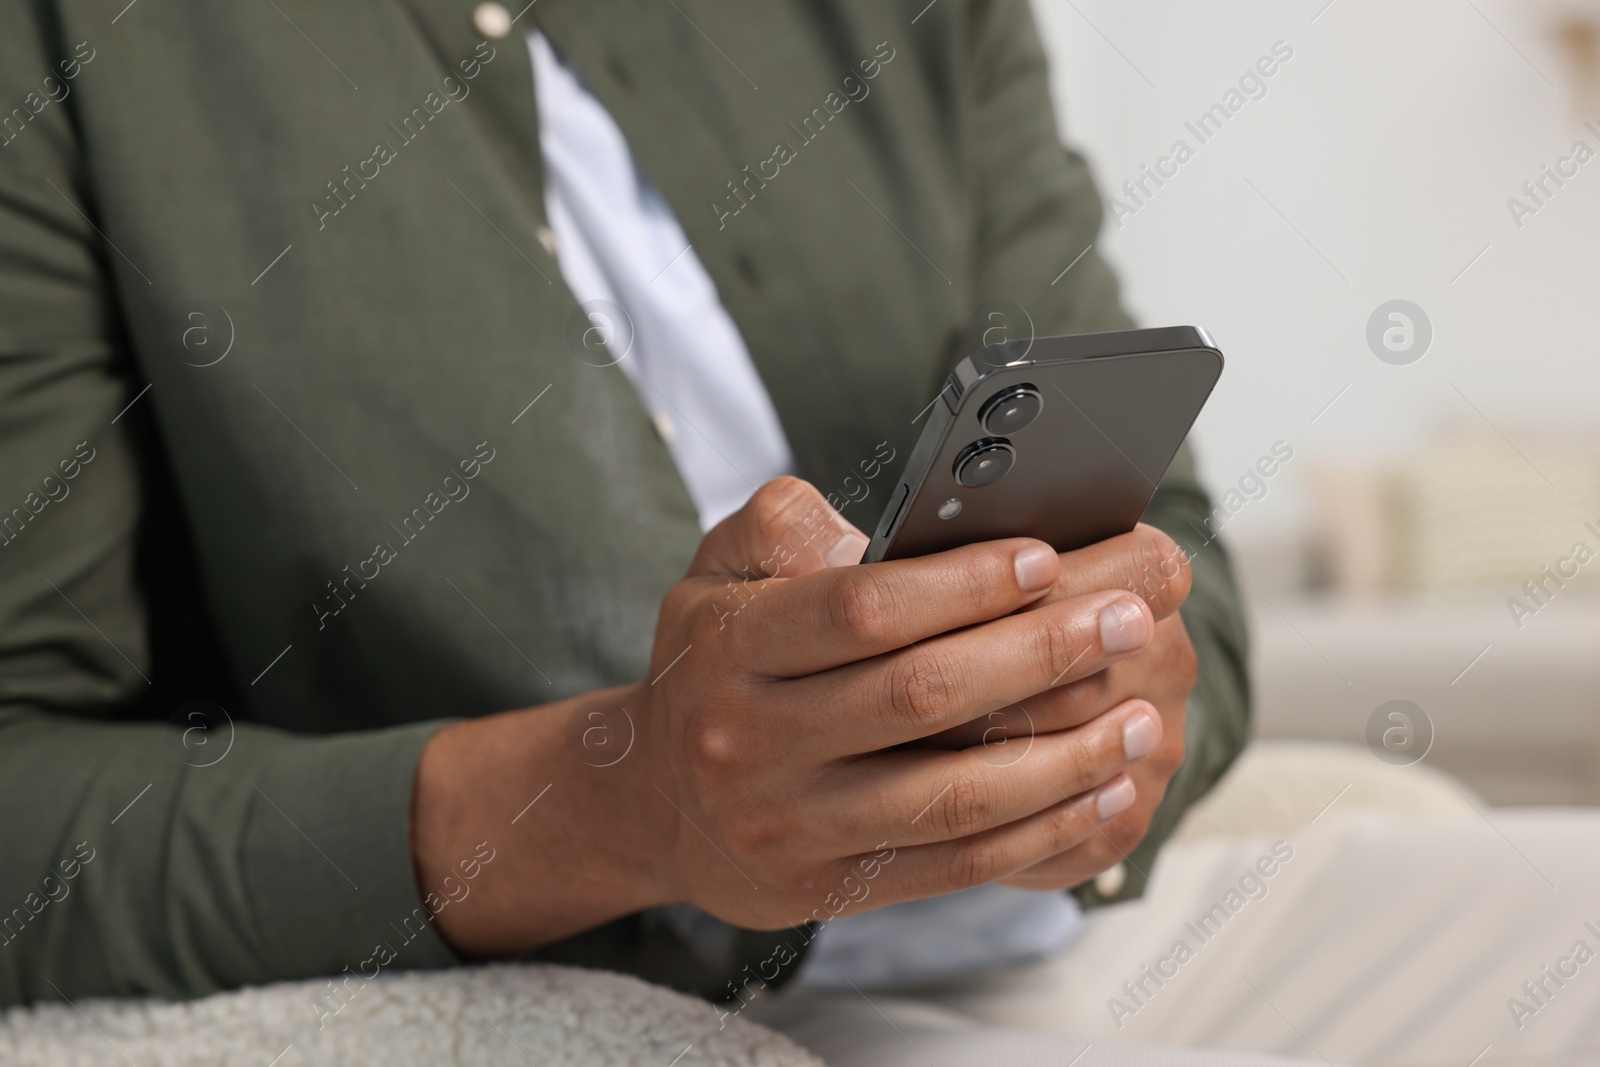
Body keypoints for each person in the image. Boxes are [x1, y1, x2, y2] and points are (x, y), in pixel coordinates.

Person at [7, 3, 1595, 1066]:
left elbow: (1171, 533)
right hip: (583, 1009)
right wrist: (618, 803)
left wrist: (1138, 697)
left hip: (1081, 953)